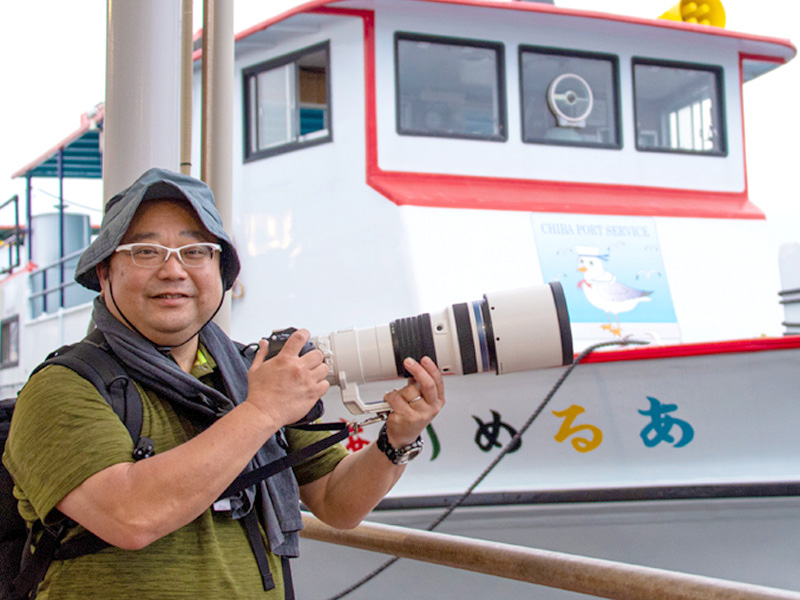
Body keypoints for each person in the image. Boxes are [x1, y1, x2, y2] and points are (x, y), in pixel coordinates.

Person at [2, 168, 445, 599]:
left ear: (220, 272)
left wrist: (397, 440)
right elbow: (130, 516)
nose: (173, 271)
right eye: (145, 251)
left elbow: (337, 503)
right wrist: (262, 412)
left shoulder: (248, 373)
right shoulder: (61, 388)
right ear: (104, 273)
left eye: (195, 251)